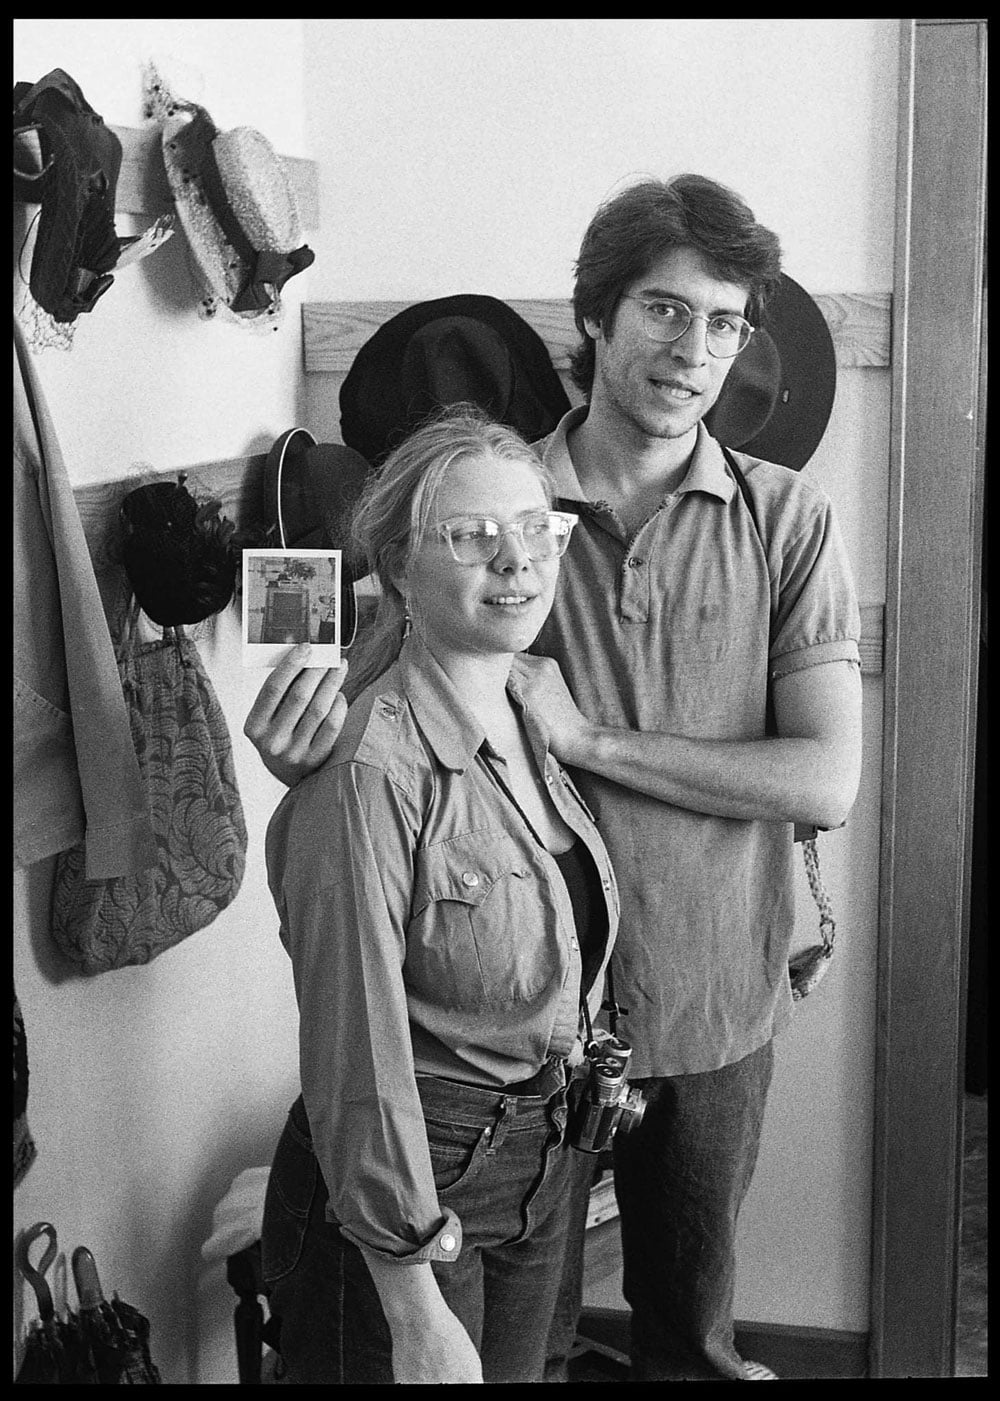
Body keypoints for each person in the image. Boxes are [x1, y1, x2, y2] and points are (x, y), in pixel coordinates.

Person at [246, 173, 863, 1382]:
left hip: (709, 1001)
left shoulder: (785, 519)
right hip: (513, 1040)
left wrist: (592, 743)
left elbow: (825, 782)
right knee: (526, 1338)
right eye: (663, 310)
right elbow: (365, 724)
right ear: (595, 314)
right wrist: (294, 758)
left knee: (685, 1339)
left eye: (724, 322)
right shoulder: (491, 500)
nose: (693, 351)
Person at [259, 408, 620, 1385]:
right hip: (414, 1191)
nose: (516, 559)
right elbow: (356, 1050)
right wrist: (412, 1301)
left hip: (538, 1166)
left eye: (535, 527)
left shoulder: (532, 706)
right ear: (398, 567)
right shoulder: (370, 770)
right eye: (470, 534)